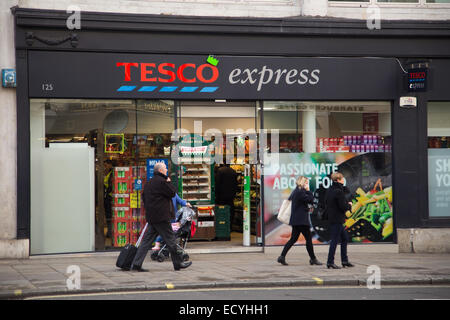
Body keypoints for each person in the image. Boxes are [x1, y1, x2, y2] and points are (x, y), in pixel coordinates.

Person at [130, 162, 192, 272]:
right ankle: (178, 264)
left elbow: (144, 198)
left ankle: (136, 264)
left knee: (146, 242)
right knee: (171, 240)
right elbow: (172, 193)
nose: (167, 170)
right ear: (160, 171)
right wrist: (168, 182)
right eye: (165, 169)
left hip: (152, 217)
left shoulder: (149, 183)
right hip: (162, 217)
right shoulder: (163, 182)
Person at [277, 176, 322, 266]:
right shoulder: (300, 192)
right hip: (301, 220)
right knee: (308, 239)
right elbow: (311, 200)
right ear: (303, 183)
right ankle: (313, 259)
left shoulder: (296, 191)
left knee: (293, 239)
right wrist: (309, 190)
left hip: (297, 220)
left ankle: (282, 257)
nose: (307, 184)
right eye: (306, 183)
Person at [326, 172, 354, 269]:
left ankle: (344, 261)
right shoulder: (338, 191)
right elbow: (343, 206)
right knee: (334, 240)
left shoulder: (330, 189)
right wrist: (349, 205)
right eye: (342, 178)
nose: (343, 180)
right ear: (338, 180)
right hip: (338, 219)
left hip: (333, 218)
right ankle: (330, 261)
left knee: (344, 238)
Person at [215, 164, 238, 228]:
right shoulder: (233, 171)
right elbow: (236, 184)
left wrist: (216, 195)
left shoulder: (220, 171)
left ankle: (222, 226)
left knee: (221, 212)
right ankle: (229, 226)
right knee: (230, 211)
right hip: (231, 195)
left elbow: (217, 184)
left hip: (221, 196)